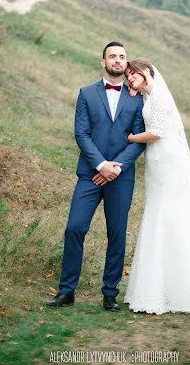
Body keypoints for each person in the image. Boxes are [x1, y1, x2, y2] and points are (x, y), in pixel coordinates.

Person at [46, 42, 146, 311]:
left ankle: (110, 293)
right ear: (103, 62)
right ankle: (67, 292)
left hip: (121, 178)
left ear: (126, 65)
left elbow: (138, 140)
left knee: (116, 234)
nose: (117, 60)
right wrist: (101, 165)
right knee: (74, 228)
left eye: (122, 57)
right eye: (112, 56)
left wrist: (116, 167)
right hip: (89, 175)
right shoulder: (86, 93)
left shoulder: (137, 99)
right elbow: (81, 134)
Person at [123, 59, 190, 316]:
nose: (129, 78)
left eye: (133, 74)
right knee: (158, 214)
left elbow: (157, 132)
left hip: (168, 162)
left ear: (146, 72)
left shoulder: (159, 98)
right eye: (128, 76)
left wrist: (131, 137)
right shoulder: (149, 97)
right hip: (157, 163)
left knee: (168, 215)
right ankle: (157, 286)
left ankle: (172, 291)